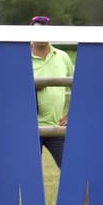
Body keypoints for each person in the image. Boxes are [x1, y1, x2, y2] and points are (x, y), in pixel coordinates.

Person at [30, 15, 75, 170]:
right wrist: (32, 86)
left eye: (45, 32)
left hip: (56, 126)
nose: (41, 36)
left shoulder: (62, 57)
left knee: (72, 169)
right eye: (37, 32)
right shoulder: (22, 57)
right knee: (27, 172)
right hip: (28, 127)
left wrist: (71, 114)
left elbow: (77, 86)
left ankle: (83, 196)